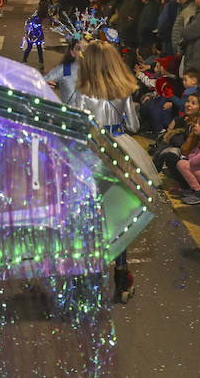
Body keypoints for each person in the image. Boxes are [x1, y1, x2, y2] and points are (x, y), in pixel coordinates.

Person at [66, 40, 140, 301]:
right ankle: (121, 276)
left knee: (86, 216)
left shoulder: (82, 90)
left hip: (89, 155)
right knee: (118, 217)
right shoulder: (124, 90)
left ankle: (85, 276)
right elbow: (134, 125)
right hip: (119, 154)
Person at [45, 36, 85, 104]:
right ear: (72, 52)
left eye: (86, 48)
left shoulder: (98, 71)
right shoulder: (66, 69)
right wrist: (44, 84)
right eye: (78, 49)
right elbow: (44, 81)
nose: (83, 52)